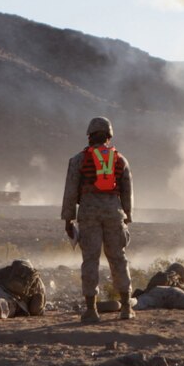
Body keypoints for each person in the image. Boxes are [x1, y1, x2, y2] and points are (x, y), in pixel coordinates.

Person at [61, 116, 134, 323]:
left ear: (90, 136)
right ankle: (127, 307)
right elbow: (127, 191)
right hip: (114, 212)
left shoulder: (78, 159)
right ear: (109, 136)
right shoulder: (120, 159)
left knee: (90, 260)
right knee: (118, 257)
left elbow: (70, 191)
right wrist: (127, 216)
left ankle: (91, 310)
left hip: (89, 213)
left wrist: (68, 219)